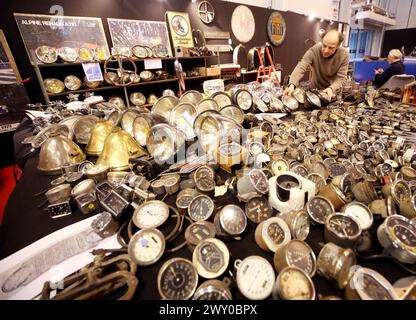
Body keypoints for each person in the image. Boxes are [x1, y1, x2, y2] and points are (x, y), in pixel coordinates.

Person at [283, 29, 349, 101]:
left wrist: (331, 88)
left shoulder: (344, 55)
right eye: (324, 45)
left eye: (331, 48)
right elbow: (301, 66)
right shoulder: (314, 51)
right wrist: (292, 84)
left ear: (338, 45)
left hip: (332, 92)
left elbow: (341, 78)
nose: (326, 50)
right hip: (314, 91)